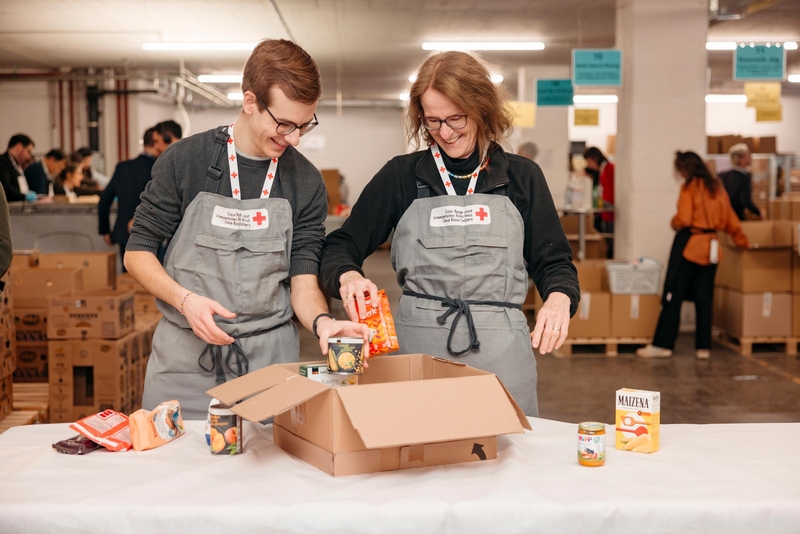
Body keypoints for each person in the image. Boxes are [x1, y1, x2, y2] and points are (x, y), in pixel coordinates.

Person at [321, 51, 580, 417]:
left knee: (505, 460)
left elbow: (554, 262)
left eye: (456, 118)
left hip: (502, 353)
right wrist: (347, 276)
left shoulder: (522, 178)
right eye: (433, 121)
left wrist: (559, 298)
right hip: (419, 354)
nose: (445, 132)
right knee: (420, 455)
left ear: (481, 109)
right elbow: (341, 245)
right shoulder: (401, 176)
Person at [125, 39, 370, 419]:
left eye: (304, 125)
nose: (294, 139)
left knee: (269, 472)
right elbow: (137, 251)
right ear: (250, 102)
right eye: (284, 124)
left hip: (268, 366)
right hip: (186, 360)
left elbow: (303, 278)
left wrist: (323, 323)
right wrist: (185, 301)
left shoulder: (304, 180)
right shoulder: (185, 161)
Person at [636, 151, 748, 360]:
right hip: (712, 247)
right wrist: (742, 240)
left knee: (673, 294)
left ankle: (663, 345)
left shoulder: (689, 187)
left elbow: (685, 217)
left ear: (685, 168)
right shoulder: (717, 187)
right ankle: (703, 347)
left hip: (690, 244)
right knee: (704, 298)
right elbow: (730, 218)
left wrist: (674, 221)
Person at [98, 127, 160, 268]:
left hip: (123, 233)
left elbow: (104, 200)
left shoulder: (123, 167)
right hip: (152, 234)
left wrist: (105, 230)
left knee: (128, 280)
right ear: (157, 143)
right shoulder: (159, 168)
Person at [718, 143, 761, 221]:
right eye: (748, 155)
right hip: (737, 218)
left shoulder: (721, 175)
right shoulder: (744, 177)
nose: (750, 158)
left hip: (721, 217)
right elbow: (744, 200)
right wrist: (758, 212)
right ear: (741, 158)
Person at [0, 134, 38, 202]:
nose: (28, 157)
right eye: (28, 151)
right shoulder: (2, 162)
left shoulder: (16, 164)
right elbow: (4, 186)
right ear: (19, 147)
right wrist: (23, 196)